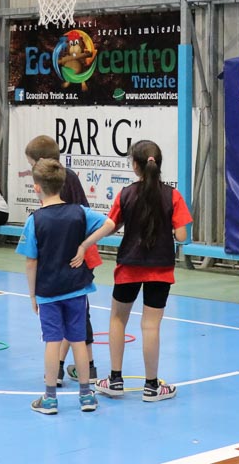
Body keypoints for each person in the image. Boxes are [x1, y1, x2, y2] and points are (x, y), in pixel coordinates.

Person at [88, 140, 192, 402]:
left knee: (117, 320)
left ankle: (114, 380)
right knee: (151, 326)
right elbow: (182, 236)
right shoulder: (173, 196)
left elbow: (110, 226)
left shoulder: (126, 194)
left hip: (129, 266)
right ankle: (152, 386)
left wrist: (86, 241)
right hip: (160, 268)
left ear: (135, 165)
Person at [17, 159, 112, 414]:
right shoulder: (79, 212)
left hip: (48, 292)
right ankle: (86, 396)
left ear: (37, 188)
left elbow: (31, 262)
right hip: (77, 289)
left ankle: (50, 398)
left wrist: (32, 295)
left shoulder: (35, 220)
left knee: (52, 342)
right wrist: (84, 245)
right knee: (78, 341)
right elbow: (110, 224)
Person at [25, 135, 100, 385]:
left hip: (72, 254)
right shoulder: (67, 180)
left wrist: (82, 245)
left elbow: (92, 219)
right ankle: (77, 367)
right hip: (70, 252)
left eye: (31, 165)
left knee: (76, 316)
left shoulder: (61, 186)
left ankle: (69, 368)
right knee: (76, 313)